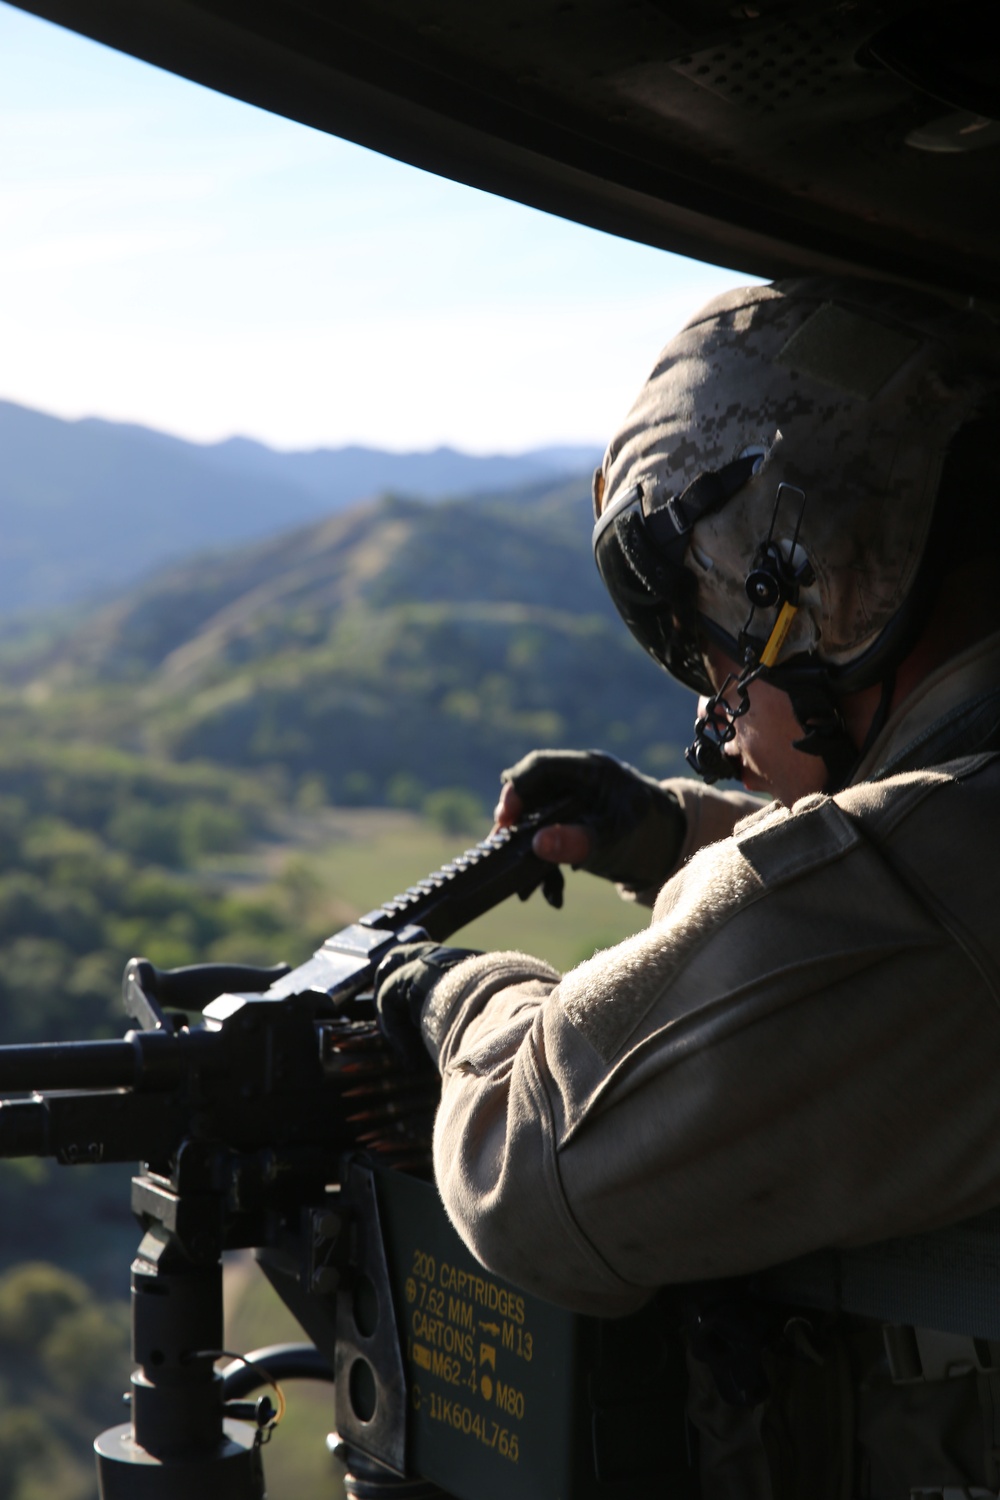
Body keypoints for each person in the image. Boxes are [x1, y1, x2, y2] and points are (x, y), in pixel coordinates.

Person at [375, 277, 1000, 1496]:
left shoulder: (938, 883)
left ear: (807, 579)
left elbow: (533, 1172)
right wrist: (673, 833)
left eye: (714, 642)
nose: (710, 707)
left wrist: (451, 997)